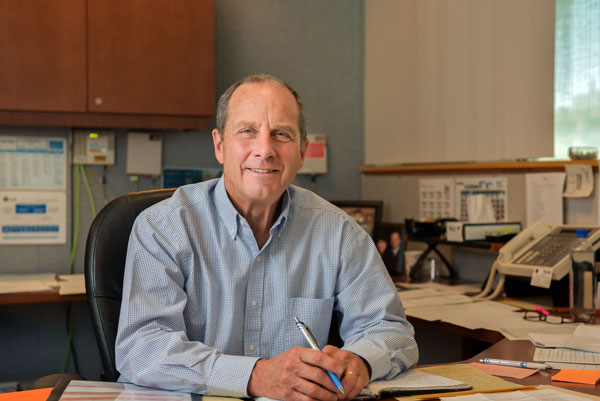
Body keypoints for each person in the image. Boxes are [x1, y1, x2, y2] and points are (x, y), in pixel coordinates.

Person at [115, 74, 418, 401]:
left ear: (302, 153)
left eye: (281, 134)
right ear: (219, 145)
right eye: (247, 131)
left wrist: (360, 361)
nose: (265, 150)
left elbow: (391, 330)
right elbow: (143, 348)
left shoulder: (340, 232)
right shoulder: (163, 227)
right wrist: (255, 376)